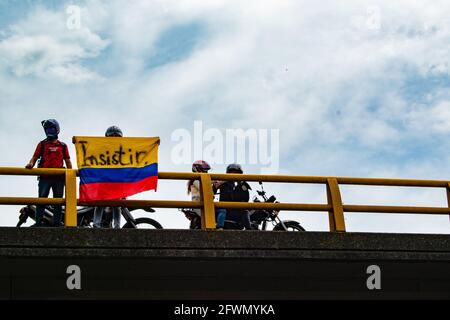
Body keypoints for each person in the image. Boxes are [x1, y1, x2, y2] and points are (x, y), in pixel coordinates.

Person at [25, 119, 72, 227]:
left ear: (57, 129)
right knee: (42, 199)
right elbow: (35, 157)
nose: (49, 131)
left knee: (58, 200)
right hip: (44, 177)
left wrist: (71, 175)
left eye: (51, 128)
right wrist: (30, 164)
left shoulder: (63, 146)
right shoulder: (42, 144)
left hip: (58, 178)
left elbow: (68, 161)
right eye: (47, 129)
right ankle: (38, 221)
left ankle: (56, 222)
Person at [93, 126, 123, 229]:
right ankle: (96, 225)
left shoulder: (124, 150)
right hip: (103, 180)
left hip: (117, 182)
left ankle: (117, 227)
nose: (114, 138)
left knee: (117, 205)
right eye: (112, 136)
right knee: (100, 204)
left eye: (116, 136)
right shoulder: (101, 149)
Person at [213, 163, 253, 230]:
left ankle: (249, 230)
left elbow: (246, 199)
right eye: (232, 172)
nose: (234, 174)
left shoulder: (243, 184)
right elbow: (212, 193)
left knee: (245, 211)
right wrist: (215, 186)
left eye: (236, 173)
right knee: (220, 210)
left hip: (237, 211)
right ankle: (219, 227)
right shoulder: (223, 183)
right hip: (224, 209)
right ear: (228, 173)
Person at [187, 160, 226, 229]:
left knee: (221, 210)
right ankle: (219, 228)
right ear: (197, 169)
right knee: (220, 211)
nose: (206, 172)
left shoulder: (199, 180)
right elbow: (204, 188)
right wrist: (214, 184)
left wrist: (215, 184)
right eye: (204, 170)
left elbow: (208, 188)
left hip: (204, 204)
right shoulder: (195, 179)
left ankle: (218, 227)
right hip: (200, 205)